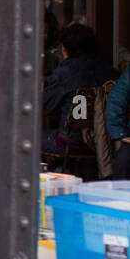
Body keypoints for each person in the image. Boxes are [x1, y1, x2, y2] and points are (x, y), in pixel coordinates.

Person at [42, 23, 116, 159]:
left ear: (66, 49)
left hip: (70, 142)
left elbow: (45, 107)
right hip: (104, 142)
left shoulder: (64, 73)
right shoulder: (108, 71)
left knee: (28, 137)